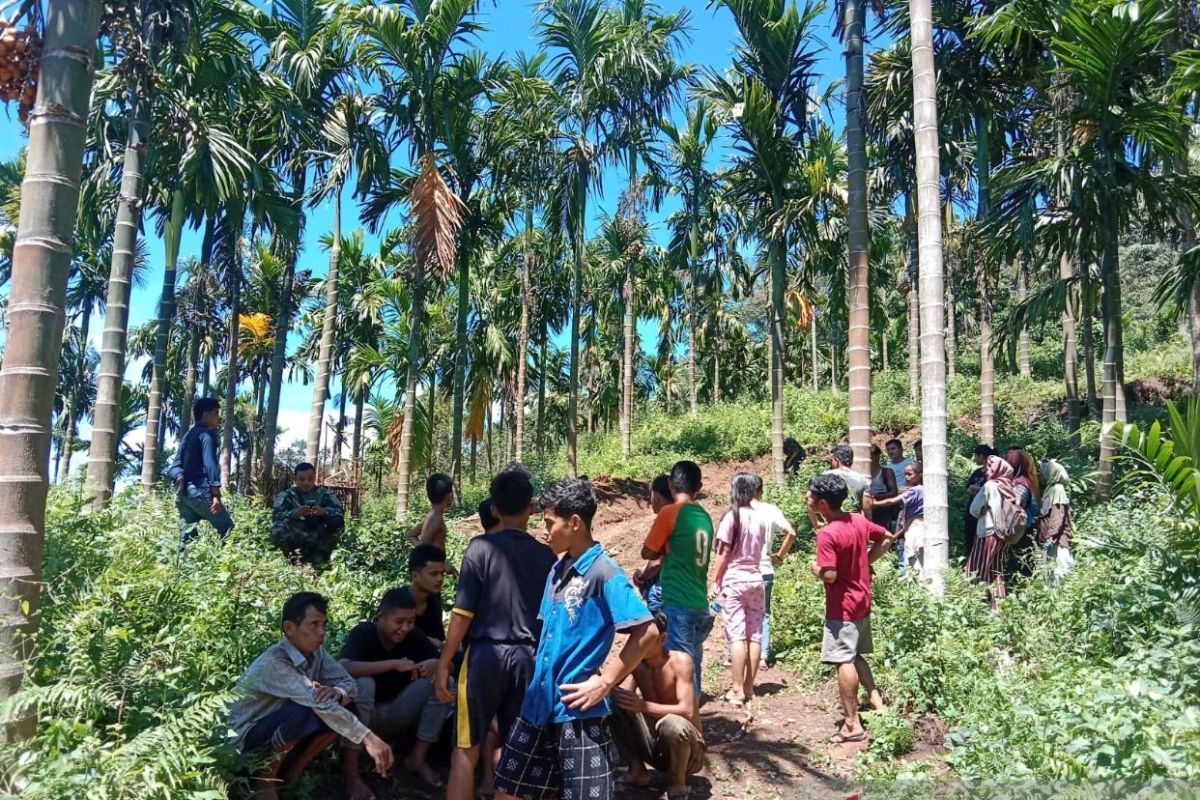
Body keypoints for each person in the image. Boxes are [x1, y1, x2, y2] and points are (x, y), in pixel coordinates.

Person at [492, 478, 657, 800]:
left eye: (550, 523)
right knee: (507, 790)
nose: (544, 531)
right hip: (538, 704)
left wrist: (605, 682)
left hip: (577, 709)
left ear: (575, 522)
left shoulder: (603, 572)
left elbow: (647, 631)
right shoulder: (557, 571)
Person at [435, 466, 557, 800]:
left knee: (466, 749)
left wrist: (446, 662)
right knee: (515, 753)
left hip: (484, 657)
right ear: (531, 506)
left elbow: (462, 614)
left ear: (493, 508)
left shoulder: (480, 548)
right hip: (528, 659)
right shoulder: (547, 556)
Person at [228, 592, 393, 800]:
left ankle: (292, 773)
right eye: (314, 624)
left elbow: (348, 683)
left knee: (344, 705)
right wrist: (368, 737)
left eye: (324, 624)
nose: (322, 632)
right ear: (289, 628)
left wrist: (338, 692)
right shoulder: (275, 662)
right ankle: (265, 783)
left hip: (279, 735)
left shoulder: (317, 653)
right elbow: (316, 701)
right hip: (243, 746)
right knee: (303, 711)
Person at [339, 587, 452, 798]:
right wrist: (392, 664)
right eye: (399, 621)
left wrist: (437, 663)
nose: (405, 628)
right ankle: (351, 771)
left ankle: (417, 757)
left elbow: (448, 666)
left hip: (397, 713)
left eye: (410, 622)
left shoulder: (415, 637)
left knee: (446, 680)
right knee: (363, 684)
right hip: (363, 718)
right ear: (381, 617)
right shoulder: (364, 633)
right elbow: (344, 667)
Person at [808, 474, 890, 743]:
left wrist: (815, 569)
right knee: (855, 655)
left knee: (843, 660)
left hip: (841, 607)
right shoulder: (857, 519)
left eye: (810, 496)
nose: (807, 499)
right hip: (863, 600)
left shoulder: (828, 534)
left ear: (822, 503)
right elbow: (886, 538)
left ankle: (852, 724)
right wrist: (866, 561)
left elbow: (830, 575)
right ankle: (878, 703)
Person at [642, 460, 715, 702]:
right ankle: (694, 715)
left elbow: (648, 552)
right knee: (693, 662)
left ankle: (688, 725)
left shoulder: (670, 512)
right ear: (699, 486)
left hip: (677, 601)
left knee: (680, 668)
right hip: (699, 602)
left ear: (671, 484)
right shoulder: (704, 516)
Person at [610, 612, 704, 800]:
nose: (638, 644)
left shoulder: (680, 661)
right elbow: (607, 686)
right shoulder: (635, 662)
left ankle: (678, 782)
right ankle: (637, 770)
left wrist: (643, 706)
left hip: (689, 753)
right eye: (636, 638)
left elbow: (687, 710)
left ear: (662, 638)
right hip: (654, 745)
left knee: (673, 723)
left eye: (646, 639)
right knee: (613, 702)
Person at [710, 473, 769, 707]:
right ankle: (748, 687)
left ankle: (736, 691)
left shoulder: (731, 518)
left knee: (736, 636)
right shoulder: (759, 518)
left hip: (734, 581)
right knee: (754, 635)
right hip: (756, 578)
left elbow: (723, 553)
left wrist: (714, 580)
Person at [167, 397, 233, 549]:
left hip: (186, 495)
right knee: (229, 530)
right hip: (201, 491)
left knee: (186, 539)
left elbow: (175, 465)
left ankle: (179, 569)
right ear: (206, 414)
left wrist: (179, 477)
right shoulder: (207, 435)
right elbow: (210, 464)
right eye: (216, 413)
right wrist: (216, 495)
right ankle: (228, 567)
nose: (219, 417)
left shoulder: (188, 435)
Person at [750, 475, 796, 668]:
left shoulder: (738, 511)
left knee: (740, 613)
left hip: (744, 571)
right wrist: (779, 556)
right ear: (761, 490)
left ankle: (734, 654)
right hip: (765, 569)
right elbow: (791, 533)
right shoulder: (771, 510)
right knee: (764, 614)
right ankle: (763, 656)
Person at [966, 455, 1022, 606]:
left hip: (987, 533)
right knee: (996, 571)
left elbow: (973, 509)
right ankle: (998, 608)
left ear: (998, 469)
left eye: (990, 466)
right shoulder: (1009, 486)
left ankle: (975, 606)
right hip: (1003, 534)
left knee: (975, 570)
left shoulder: (990, 485)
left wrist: (981, 509)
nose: (987, 470)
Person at [270, 462, 345, 566]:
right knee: (277, 529)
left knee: (337, 524)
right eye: (302, 479)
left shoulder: (325, 494)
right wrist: (294, 513)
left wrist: (324, 511)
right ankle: (291, 560)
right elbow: (276, 516)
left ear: (314, 477)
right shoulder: (286, 495)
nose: (306, 482)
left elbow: (340, 513)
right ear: (295, 478)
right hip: (296, 534)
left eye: (310, 479)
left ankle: (321, 560)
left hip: (319, 534)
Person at [871, 463, 926, 580]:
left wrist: (874, 503)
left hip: (916, 529)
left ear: (920, 475)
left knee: (915, 560)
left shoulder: (914, 491)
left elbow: (891, 501)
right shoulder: (922, 490)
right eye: (905, 474)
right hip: (915, 527)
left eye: (910, 474)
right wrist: (894, 536)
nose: (906, 477)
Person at [632, 474, 671, 614]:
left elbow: (657, 561)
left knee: (657, 633)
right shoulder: (685, 517)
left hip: (663, 589)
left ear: (656, 496)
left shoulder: (665, 519)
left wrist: (641, 578)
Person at [1038, 459, 1074, 579]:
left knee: (1060, 571)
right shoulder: (1050, 489)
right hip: (1051, 539)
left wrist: (1051, 536)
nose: (1041, 475)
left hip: (1057, 540)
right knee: (1050, 571)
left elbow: (1058, 515)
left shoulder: (1057, 490)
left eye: (1043, 472)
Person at [408, 544, 447, 645]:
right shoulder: (396, 600)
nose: (440, 579)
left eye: (442, 574)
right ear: (415, 576)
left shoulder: (434, 603)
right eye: (434, 574)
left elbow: (439, 641)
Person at [963, 445, 994, 559]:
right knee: (970, 539)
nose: (975, 458)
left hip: (984, 512)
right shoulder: (976, 472)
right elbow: (968, 488)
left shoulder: (992, 473)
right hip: (971, 511)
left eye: (975, 455)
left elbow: (990, 491)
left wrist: (978, 490)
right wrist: (979, 490)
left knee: (982, 540)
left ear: (981, 456)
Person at [865, 444, 899, 531]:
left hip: (882, 508)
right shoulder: (863, 472)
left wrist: (875, 496)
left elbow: (894, 492)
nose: (869, 458)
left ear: (877, 456)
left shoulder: (887, 472)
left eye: (871, 455)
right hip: (866, 507)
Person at [824, 443, 870, 508]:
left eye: (832, 460)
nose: (832, 463)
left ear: (836, 460)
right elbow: (866, 506)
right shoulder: (862, 480)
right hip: (855, 517)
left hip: (833, 517)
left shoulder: (826, 476)